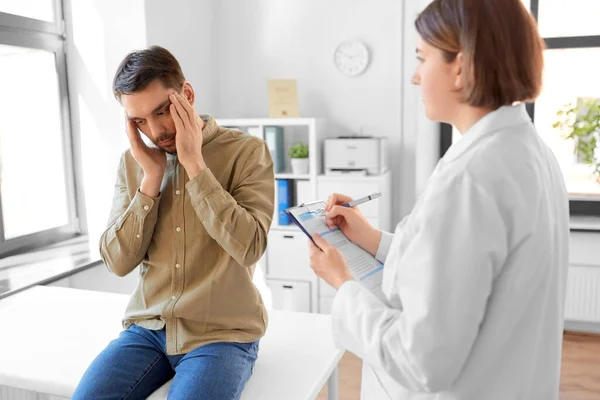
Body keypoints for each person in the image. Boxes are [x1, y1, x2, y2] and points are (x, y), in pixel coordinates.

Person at [308, 1, 569, 399]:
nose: (415, 77)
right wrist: (373, 238)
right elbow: (464, 270)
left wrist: (342, 284)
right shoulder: (526, 151)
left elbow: (419, 361)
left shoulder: (472, 178)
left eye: (421, 58)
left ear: (460, 68)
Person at [72, 46, 275, 400]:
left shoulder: (247, 152)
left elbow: (251, 246)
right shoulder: (133, 163)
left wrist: (195, 165)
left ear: (187, 95)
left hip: (222, 333)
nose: (154, 130)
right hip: (147, 330)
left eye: (162, 111)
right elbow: (117, 261)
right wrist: (150, 179)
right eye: (138, 121)